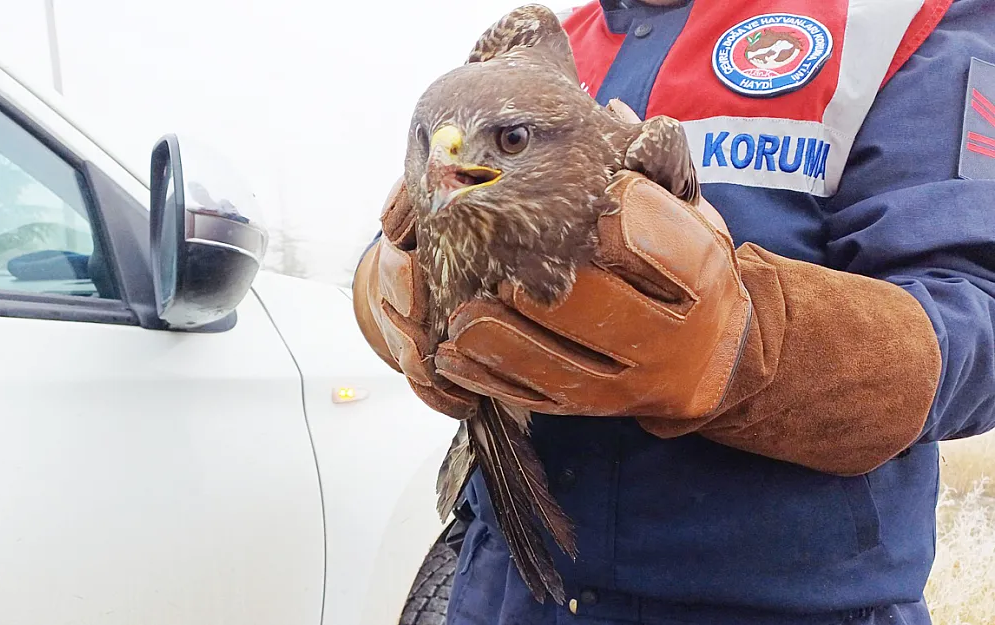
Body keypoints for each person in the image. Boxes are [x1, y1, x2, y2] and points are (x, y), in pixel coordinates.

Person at [352, 0, 995, 623]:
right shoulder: (545, 47)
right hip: (508, 582)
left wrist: (748, 347)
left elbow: (974, 324)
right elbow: (417, 219)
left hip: (779, 601)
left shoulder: (898, 20)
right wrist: (385, 296)